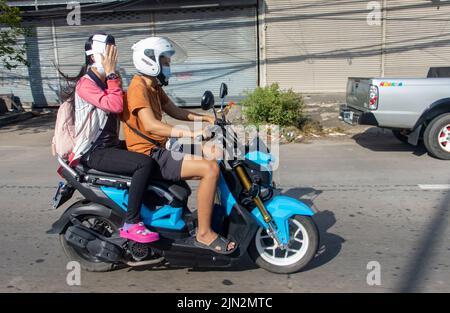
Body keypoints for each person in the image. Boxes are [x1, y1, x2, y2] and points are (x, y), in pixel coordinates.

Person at [123, 37, 237, 254]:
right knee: (209, 169)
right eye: (165, 61)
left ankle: (212, 213)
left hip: (162, 146)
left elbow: (175, 111)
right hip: (151, 153)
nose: (168, 66)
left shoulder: (153, 86)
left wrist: (205, 119)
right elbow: (151, 125)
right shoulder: (138, 88)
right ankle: (204, 234)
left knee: (215, 152)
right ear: (150, 61)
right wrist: (193, 134)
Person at [59, 33, 159, 244]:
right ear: (95, 56)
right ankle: (132, 223)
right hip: (93, 152)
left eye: (115, 53)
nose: (114, 58)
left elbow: (125, 108)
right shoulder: (86, 84)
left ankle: (150, 207)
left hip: (109, 146)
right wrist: (113, 74)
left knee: (151, 150)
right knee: (144, 164)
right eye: (109, 53)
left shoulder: (107, 81)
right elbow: (115, 105)